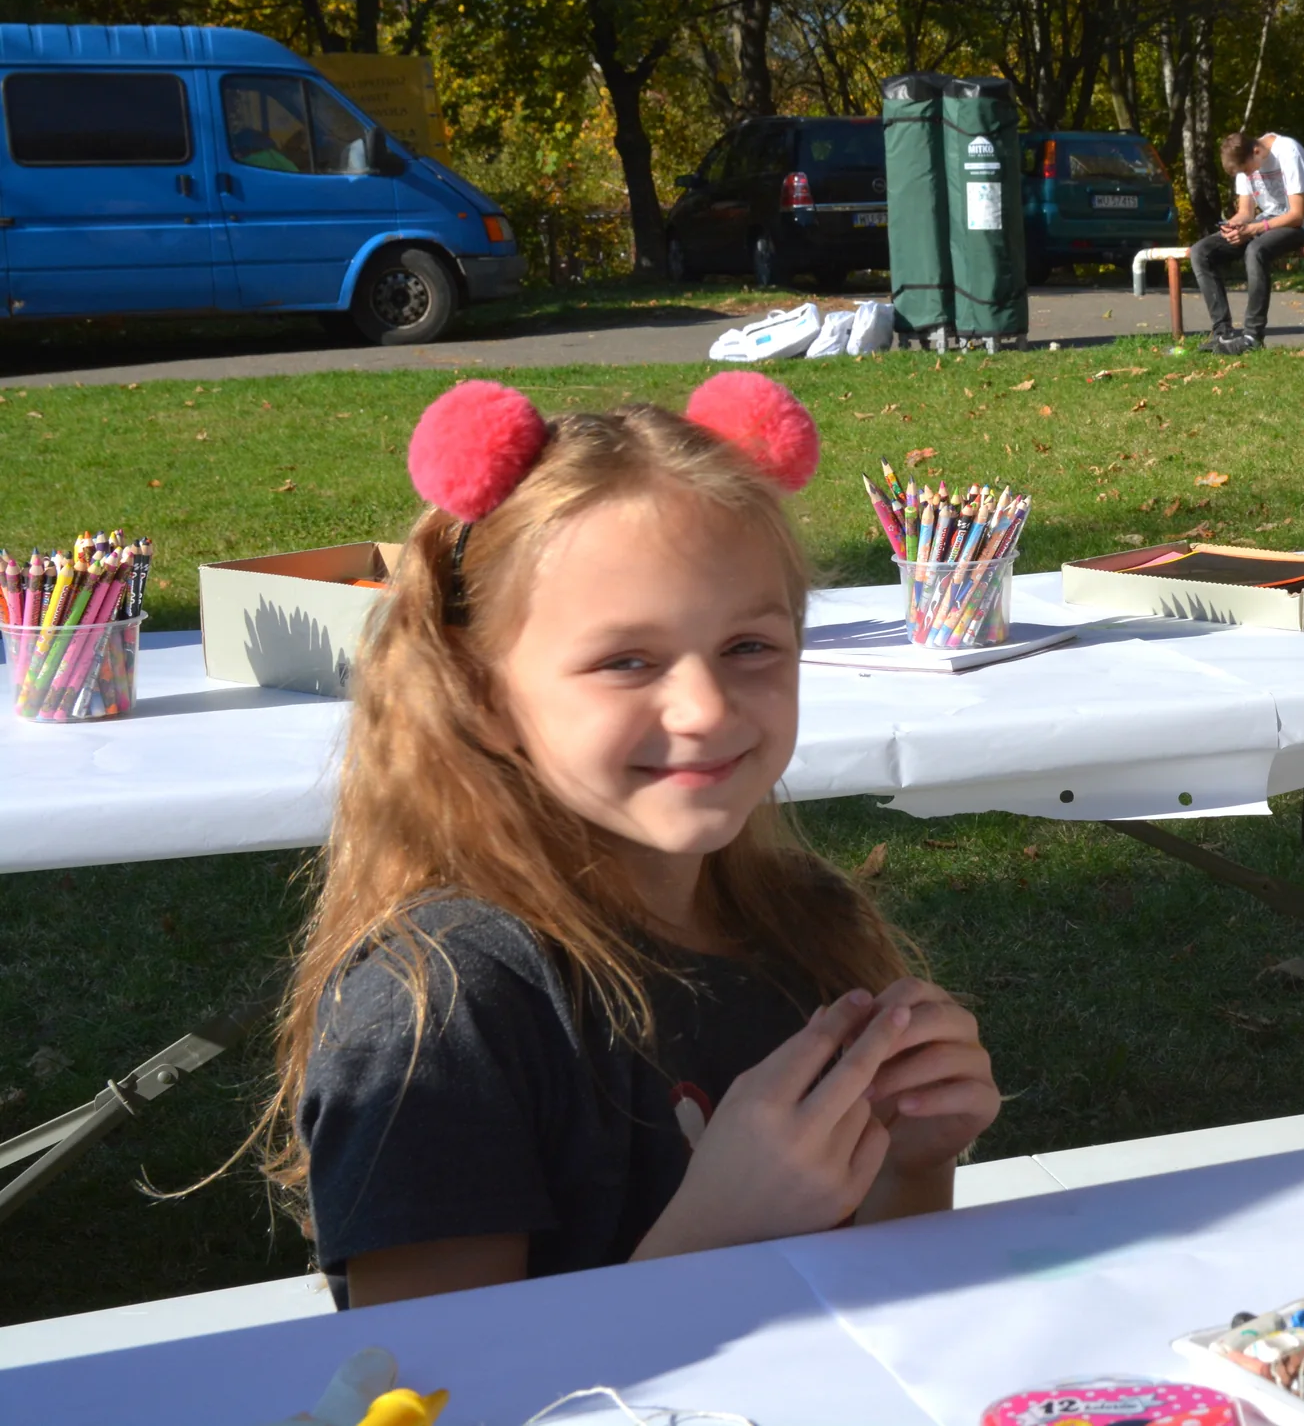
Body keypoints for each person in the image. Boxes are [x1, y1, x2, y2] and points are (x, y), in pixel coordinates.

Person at [259, 372, 999, 1306]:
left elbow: (877, 1309)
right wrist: (717, 1233)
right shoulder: (446, 1012)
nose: (705, 708)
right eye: (627, 661)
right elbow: (441, 1391)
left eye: (750, 647)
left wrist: (913, 1163)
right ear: (482, 696)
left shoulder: (804, 923)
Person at [1190, 129, 1304, 355]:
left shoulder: (1288, 152)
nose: (1247, 174)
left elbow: (1297, 214)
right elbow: (1246, 211)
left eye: (1246, 170)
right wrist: (1234, 226)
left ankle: (1252, 336)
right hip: (1265, 224)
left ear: (1256, 151)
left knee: (1256, 250)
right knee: (1201, 252)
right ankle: (1222, 334)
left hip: (1302, 226)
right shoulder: (1246, 159)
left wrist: (1254, 228)